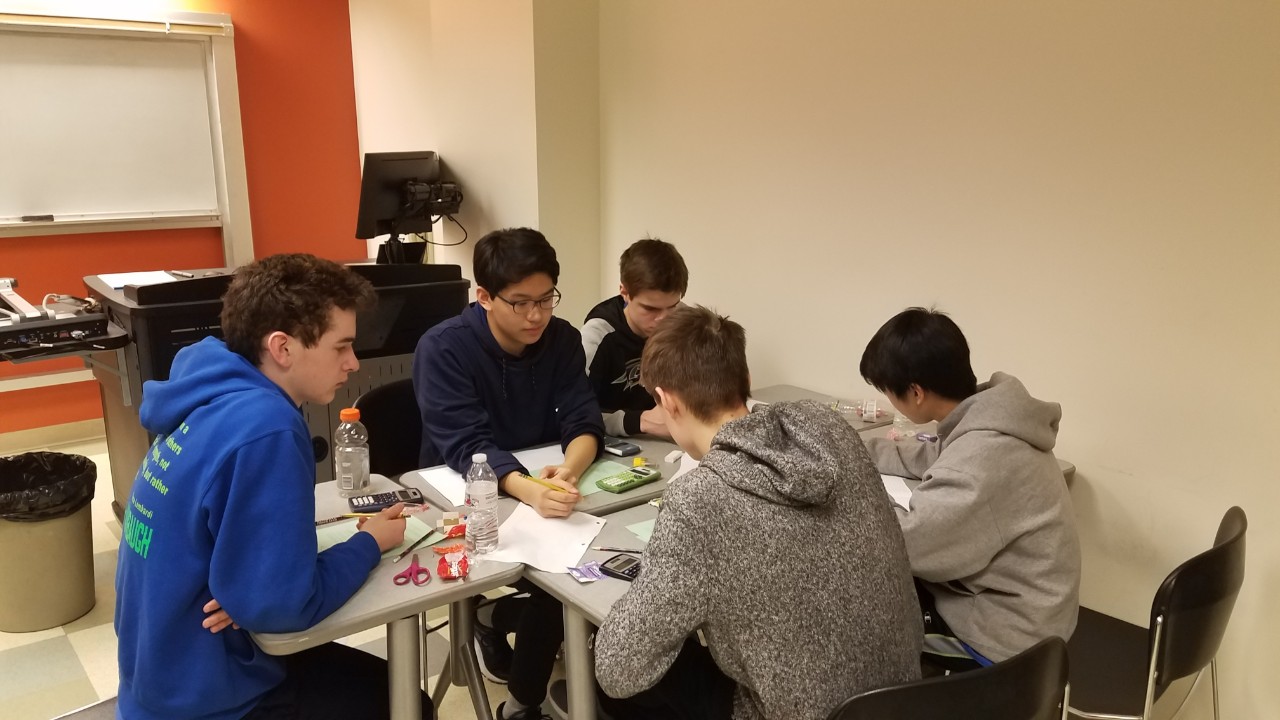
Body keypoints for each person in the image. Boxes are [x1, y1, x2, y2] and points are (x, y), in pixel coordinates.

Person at [114, 254, 432, 719]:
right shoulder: (267, 427)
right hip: (210, 699)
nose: (353, 362)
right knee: (406, 704)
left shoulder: (212, 391)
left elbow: (244, 575)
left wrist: (250, 585)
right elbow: (281, 607)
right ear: (283, 348)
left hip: (158, 671)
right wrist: (367, 543)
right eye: (340, 347)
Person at [594, 305, 921, 720]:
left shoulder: (698, 501)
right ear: (745, 381)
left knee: (623, 664)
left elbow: (617, 669)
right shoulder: (830, 429)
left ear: (665, 402)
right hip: (902, 698)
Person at [413, 227, 605, 720]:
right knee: (561, 581)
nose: (537, 315)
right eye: (520, 303)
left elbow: (584, 419)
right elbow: (467, 445)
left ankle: (507, 640)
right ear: (483, 297)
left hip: (536, 486)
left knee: (585, 569)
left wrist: (568, 470)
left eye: (546, 300)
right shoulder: (444, 348)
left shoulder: (560, 339)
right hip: (466, 494)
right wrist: (531, 490)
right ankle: (523, 699)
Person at [859, 306, 1080, 671]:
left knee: (860, 623)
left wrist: (850, 497)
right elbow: (929, 456)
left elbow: (905, 544)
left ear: (915, 393)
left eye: (888, 392)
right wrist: (853, 450)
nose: (888, 399)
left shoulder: (981, 458)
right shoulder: (993, 419)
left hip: (1007, 642)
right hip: (1037, 612)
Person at [581, 238, 688, 439]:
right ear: (625, 292)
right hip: (607, 441)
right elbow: (572, 415)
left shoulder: (684, 322)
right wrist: (641, 421)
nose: (663, 319)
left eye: (672, 306)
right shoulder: (597, 334)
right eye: (650, 308)